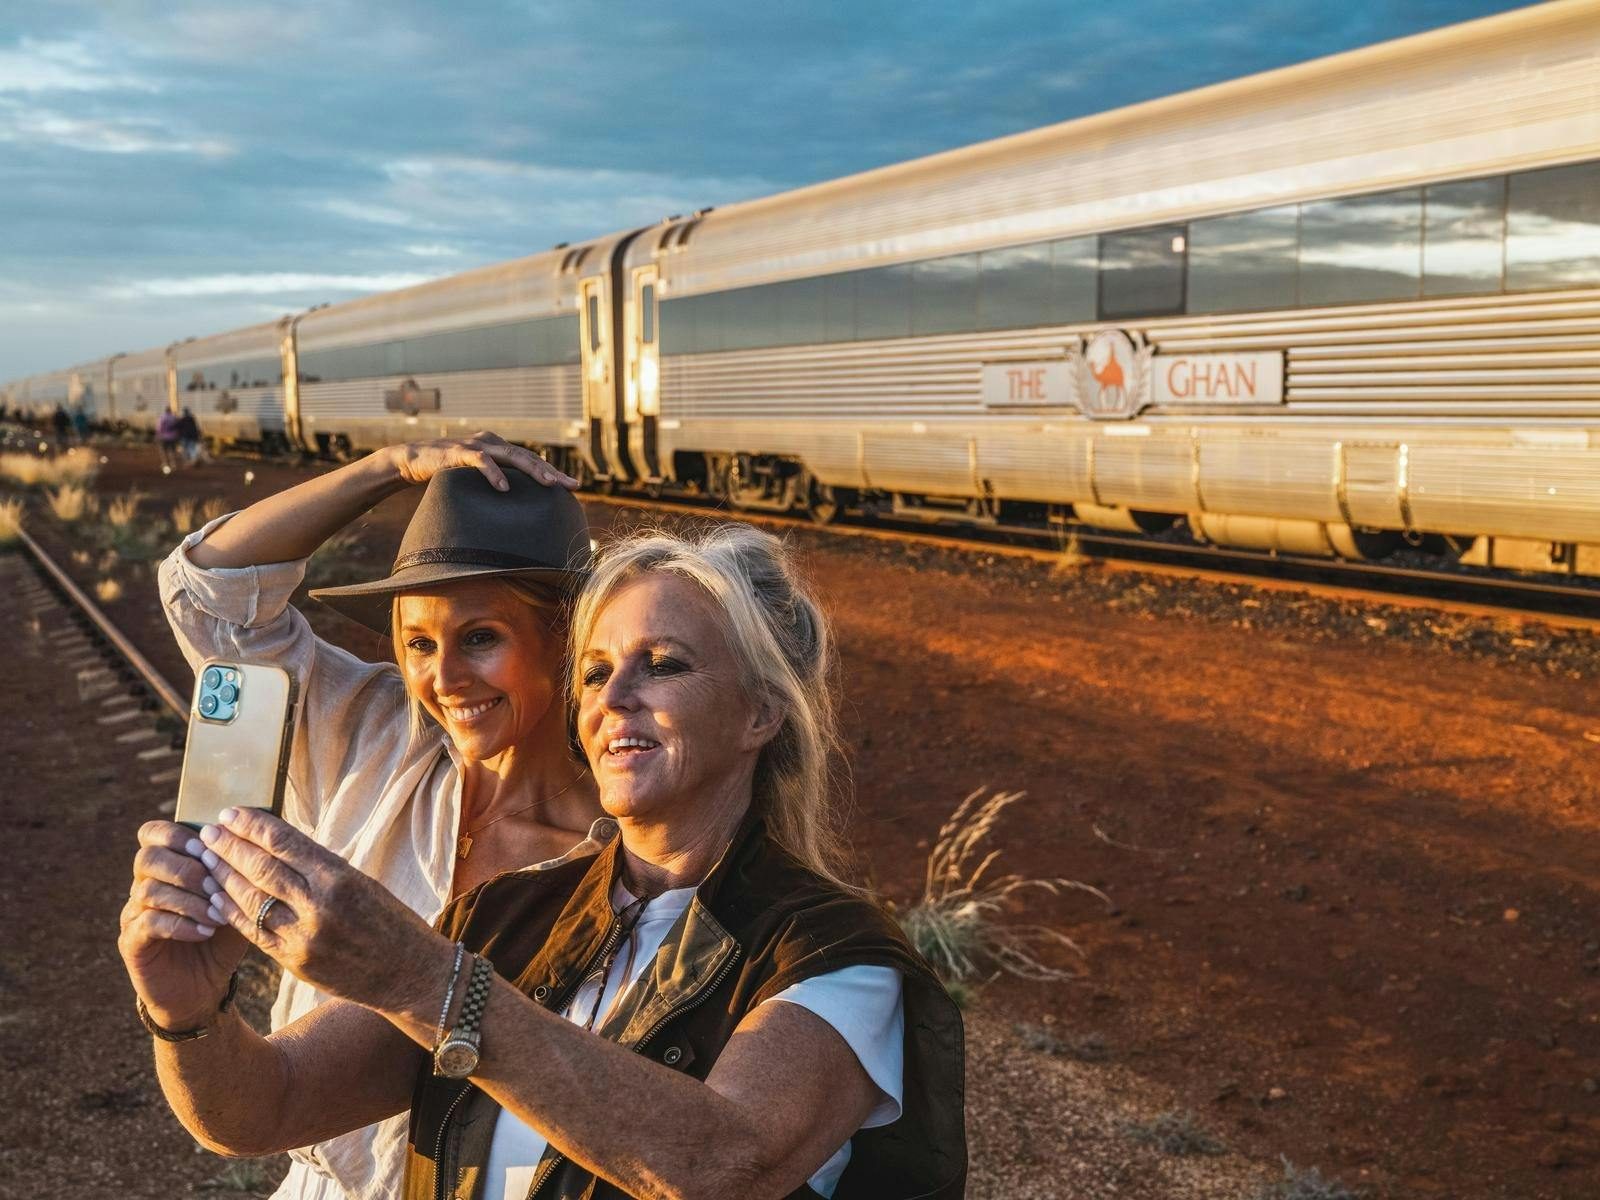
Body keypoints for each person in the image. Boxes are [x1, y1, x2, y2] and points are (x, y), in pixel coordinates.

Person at [120, 524, 967, 1200]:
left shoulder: (833, 955)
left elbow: (723, 1165)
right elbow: (267, 1104)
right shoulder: (510, 916)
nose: (613, 697)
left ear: (758, 714)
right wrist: (186, 1015)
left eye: (663, 665)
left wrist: (425, 979)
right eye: (595, 671)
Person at [142, 433, 606, 1200]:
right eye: (419, 641)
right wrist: (387, 468)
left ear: (565, 636)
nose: (445, 678)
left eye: (480, 638)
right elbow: (208, 590)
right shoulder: (373, 735)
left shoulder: (615, 843)